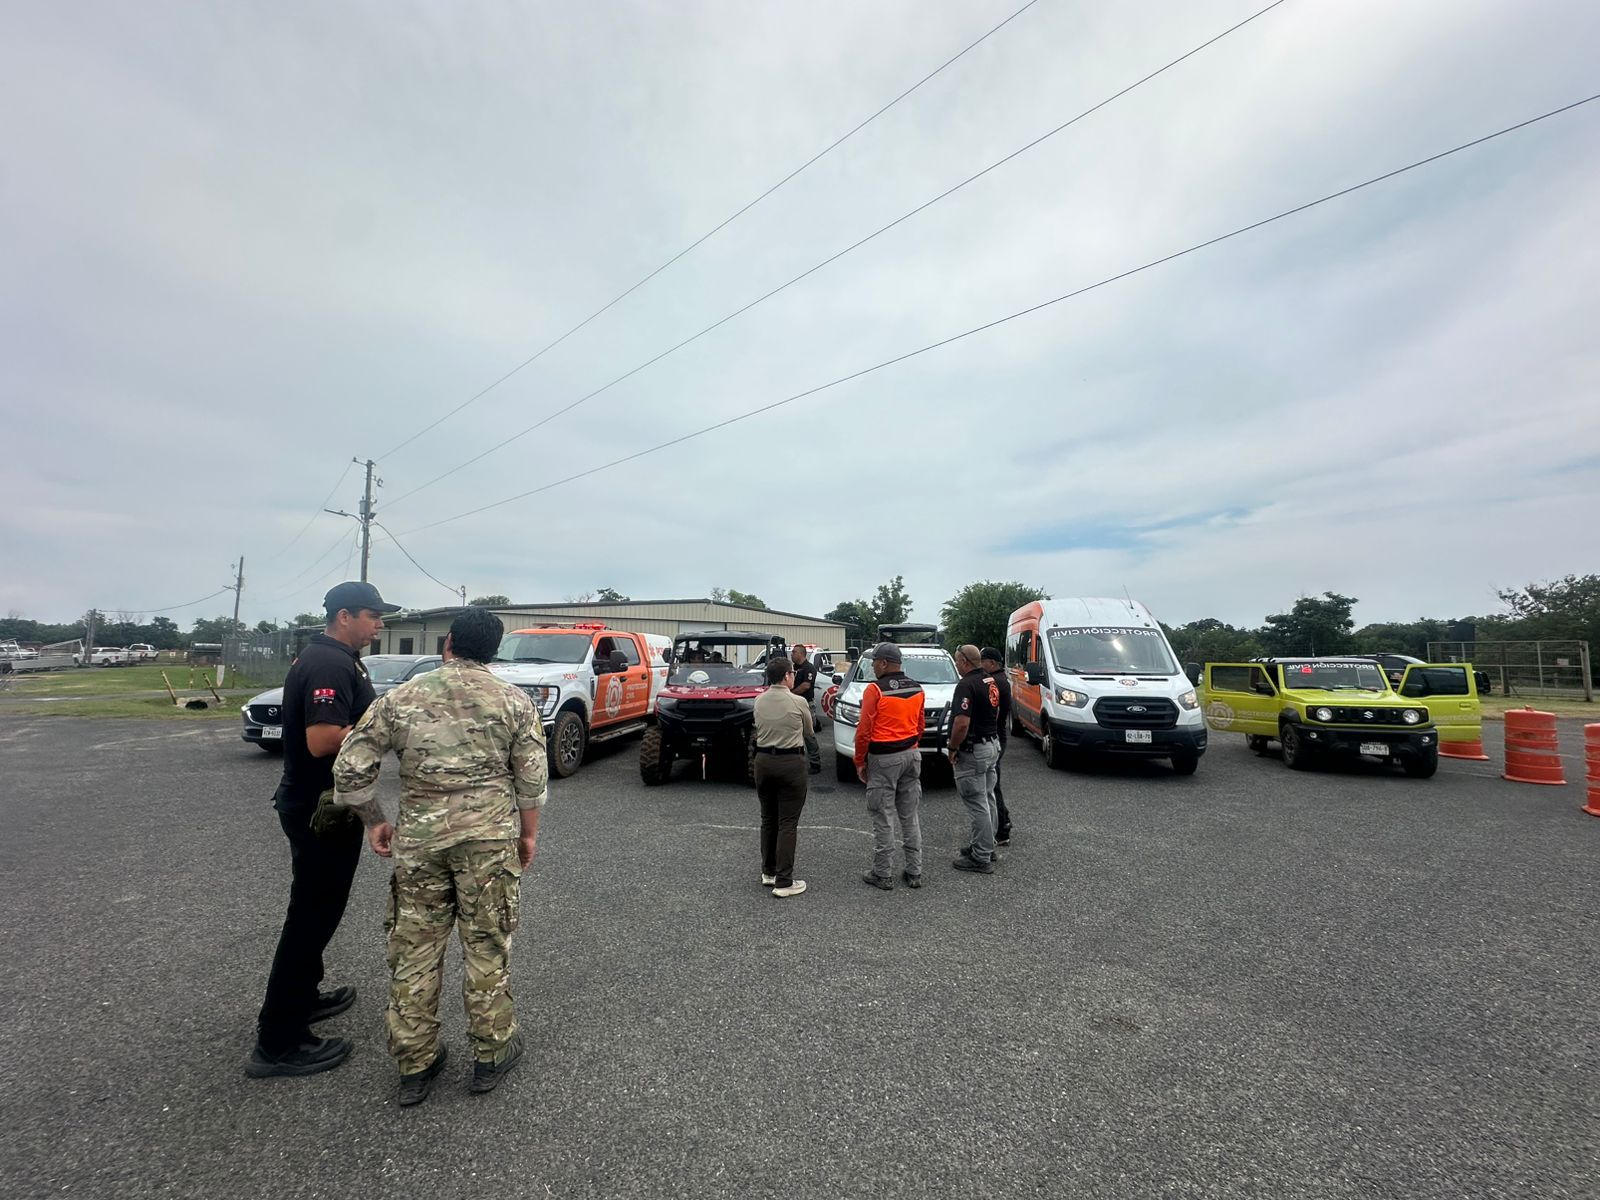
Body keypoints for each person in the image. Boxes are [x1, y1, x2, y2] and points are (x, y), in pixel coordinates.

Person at [333, 607, 548, 1107]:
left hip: (420, 842)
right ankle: (491, 1053)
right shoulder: (514, 701)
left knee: (415, 949)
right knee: (487, 943)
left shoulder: (403, 697)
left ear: (447, 642)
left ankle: (415, 1062)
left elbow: (350, 768)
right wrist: (528, 836)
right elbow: (531, 780)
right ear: (493, 650)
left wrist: (375, 821)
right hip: (488, 842)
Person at [246, 580, 399, 1079]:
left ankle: (303, 997)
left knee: (316, 909)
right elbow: (321, 739)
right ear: (344, 616)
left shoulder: (332, 657)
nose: (380, 625)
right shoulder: (329, 663)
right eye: (374, 616)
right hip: (319, 810)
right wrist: (386, 731)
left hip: (323, 805)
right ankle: (279, 1042)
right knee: (311, 916)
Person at [854, 643, 925, 891]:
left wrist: (859, 760)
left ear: (884, 663)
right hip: (911, 754)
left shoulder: (875, 690)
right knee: (909, 815)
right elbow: (920, 725)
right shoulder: (916, 687)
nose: (873, 666)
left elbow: (864, 730)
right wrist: (911, 746)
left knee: (883, 816)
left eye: (874, 661)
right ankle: (914, 870)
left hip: (883, 759)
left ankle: (883, 873)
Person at [752, 657, 813, 898]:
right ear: (787, 676)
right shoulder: (797, 701)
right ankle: (784, 880)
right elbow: (808, 731)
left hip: (763, 761)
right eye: (792, 673)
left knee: (768, 818)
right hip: (790, 763)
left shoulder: (758, 700)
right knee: (788, 822)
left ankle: (768, 871)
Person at [948, 644, 1001, 875]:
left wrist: (952, 746)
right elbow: (996, 712)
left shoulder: (966, 684)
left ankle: (981, 857)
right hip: (991, 744)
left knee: (976, 802)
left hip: (974, 750)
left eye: (958, 661)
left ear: (966, 662)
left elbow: (961, 723)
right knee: (987, 798)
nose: (957, 665)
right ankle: (987, 848)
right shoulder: (989, 680)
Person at [980, 646, 1013, 846]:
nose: (980, 664)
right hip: (999, 735)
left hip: (996, 736)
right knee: (994, 784)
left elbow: (995, 713)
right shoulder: (1000, 680)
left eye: (982, 660)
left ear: (991, 663)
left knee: (993, 786)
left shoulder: (996, 682)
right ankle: (1003, 821)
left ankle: (1001, 829)